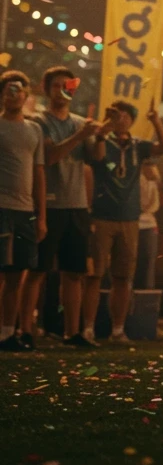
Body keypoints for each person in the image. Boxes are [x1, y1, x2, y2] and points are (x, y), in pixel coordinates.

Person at [20, 67, 100, 348]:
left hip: (77, 204)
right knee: (37, 270)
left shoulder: (80, 122)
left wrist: (101, 135)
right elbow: (50, 156)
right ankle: (25, 330)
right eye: (57, 86)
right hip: (48, 204)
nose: (63, 91)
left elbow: (95, 157)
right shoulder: (37, 121)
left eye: (68, 86)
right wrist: (81, 135)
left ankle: (72, 332)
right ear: (46, 89)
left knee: (74, 272)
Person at [83, 100, 163, 343]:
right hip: (102, 216)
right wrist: (103, 132)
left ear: (132, 120)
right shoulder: (100, 140)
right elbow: (98, 158)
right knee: (94, 275)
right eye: (115, 115)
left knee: (123, 277)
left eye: (125, 116)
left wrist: (155, 121)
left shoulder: (138, 146)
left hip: (130, 219)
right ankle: (88, 328)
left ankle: (118, 329)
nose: (120, 119)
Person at [0, 71, 46, 351]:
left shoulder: (34, 130)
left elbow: (39, 173)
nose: (14, 93)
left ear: (27, 94)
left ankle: (8, 333)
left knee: (17, 273)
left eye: (18, 89)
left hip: (24, 210)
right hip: (1, 208)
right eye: (8, 89)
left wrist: (41, 216)